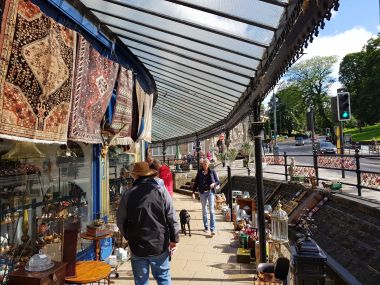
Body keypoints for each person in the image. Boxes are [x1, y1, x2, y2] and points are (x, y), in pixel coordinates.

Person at [117, 161, 180, 285]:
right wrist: (174, 239)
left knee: (141, 282)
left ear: (135, 176)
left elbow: (120, 220)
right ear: (149, 175)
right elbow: (172, 216)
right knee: (163, 278)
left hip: (137, 245)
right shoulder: (161, 191)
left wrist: (129, 236)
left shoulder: (128, 194)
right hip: (159, 244)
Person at [192, 159, 220, 235]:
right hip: (202, 193)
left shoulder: (212, 171)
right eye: (204, 164)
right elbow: (196, 182)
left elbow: (218, 181)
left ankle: (212, 229)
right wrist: (193, 192)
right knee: (204, 210)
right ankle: (206, 227)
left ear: (208, 164)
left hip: (210, 192)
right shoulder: (200, 172)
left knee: (211, 210)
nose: (205, 165)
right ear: (202, 164)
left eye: (206, 163)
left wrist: (214, 184)